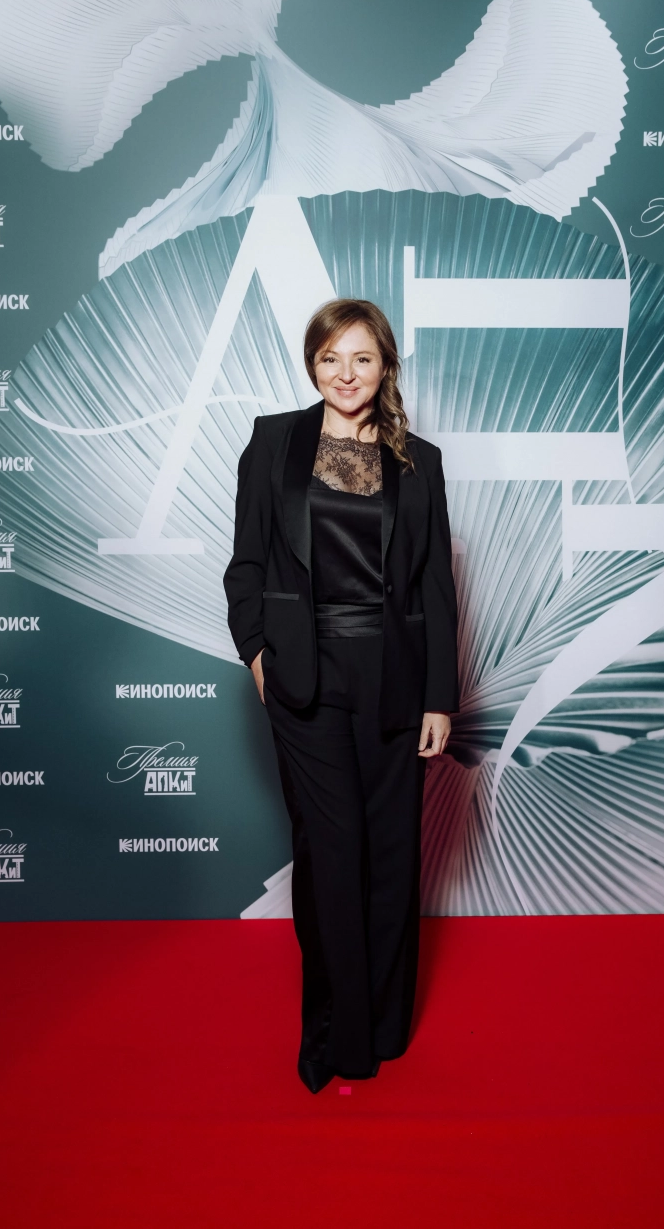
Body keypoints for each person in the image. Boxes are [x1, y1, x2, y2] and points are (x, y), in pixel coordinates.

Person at [224, 298, 459, 1093]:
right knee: (332, 854)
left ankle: (386, 1023)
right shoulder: (273, 442)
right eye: (331, 358)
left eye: (361, 357)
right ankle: (333, 1029)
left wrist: (438, 696)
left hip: (395, 676)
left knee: (391, 853)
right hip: (305, 677)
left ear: (385, 365)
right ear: (313, 364)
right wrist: (258, 654)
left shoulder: (418, 461)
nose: (346, 373)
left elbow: (435, 587)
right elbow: (246, 563)